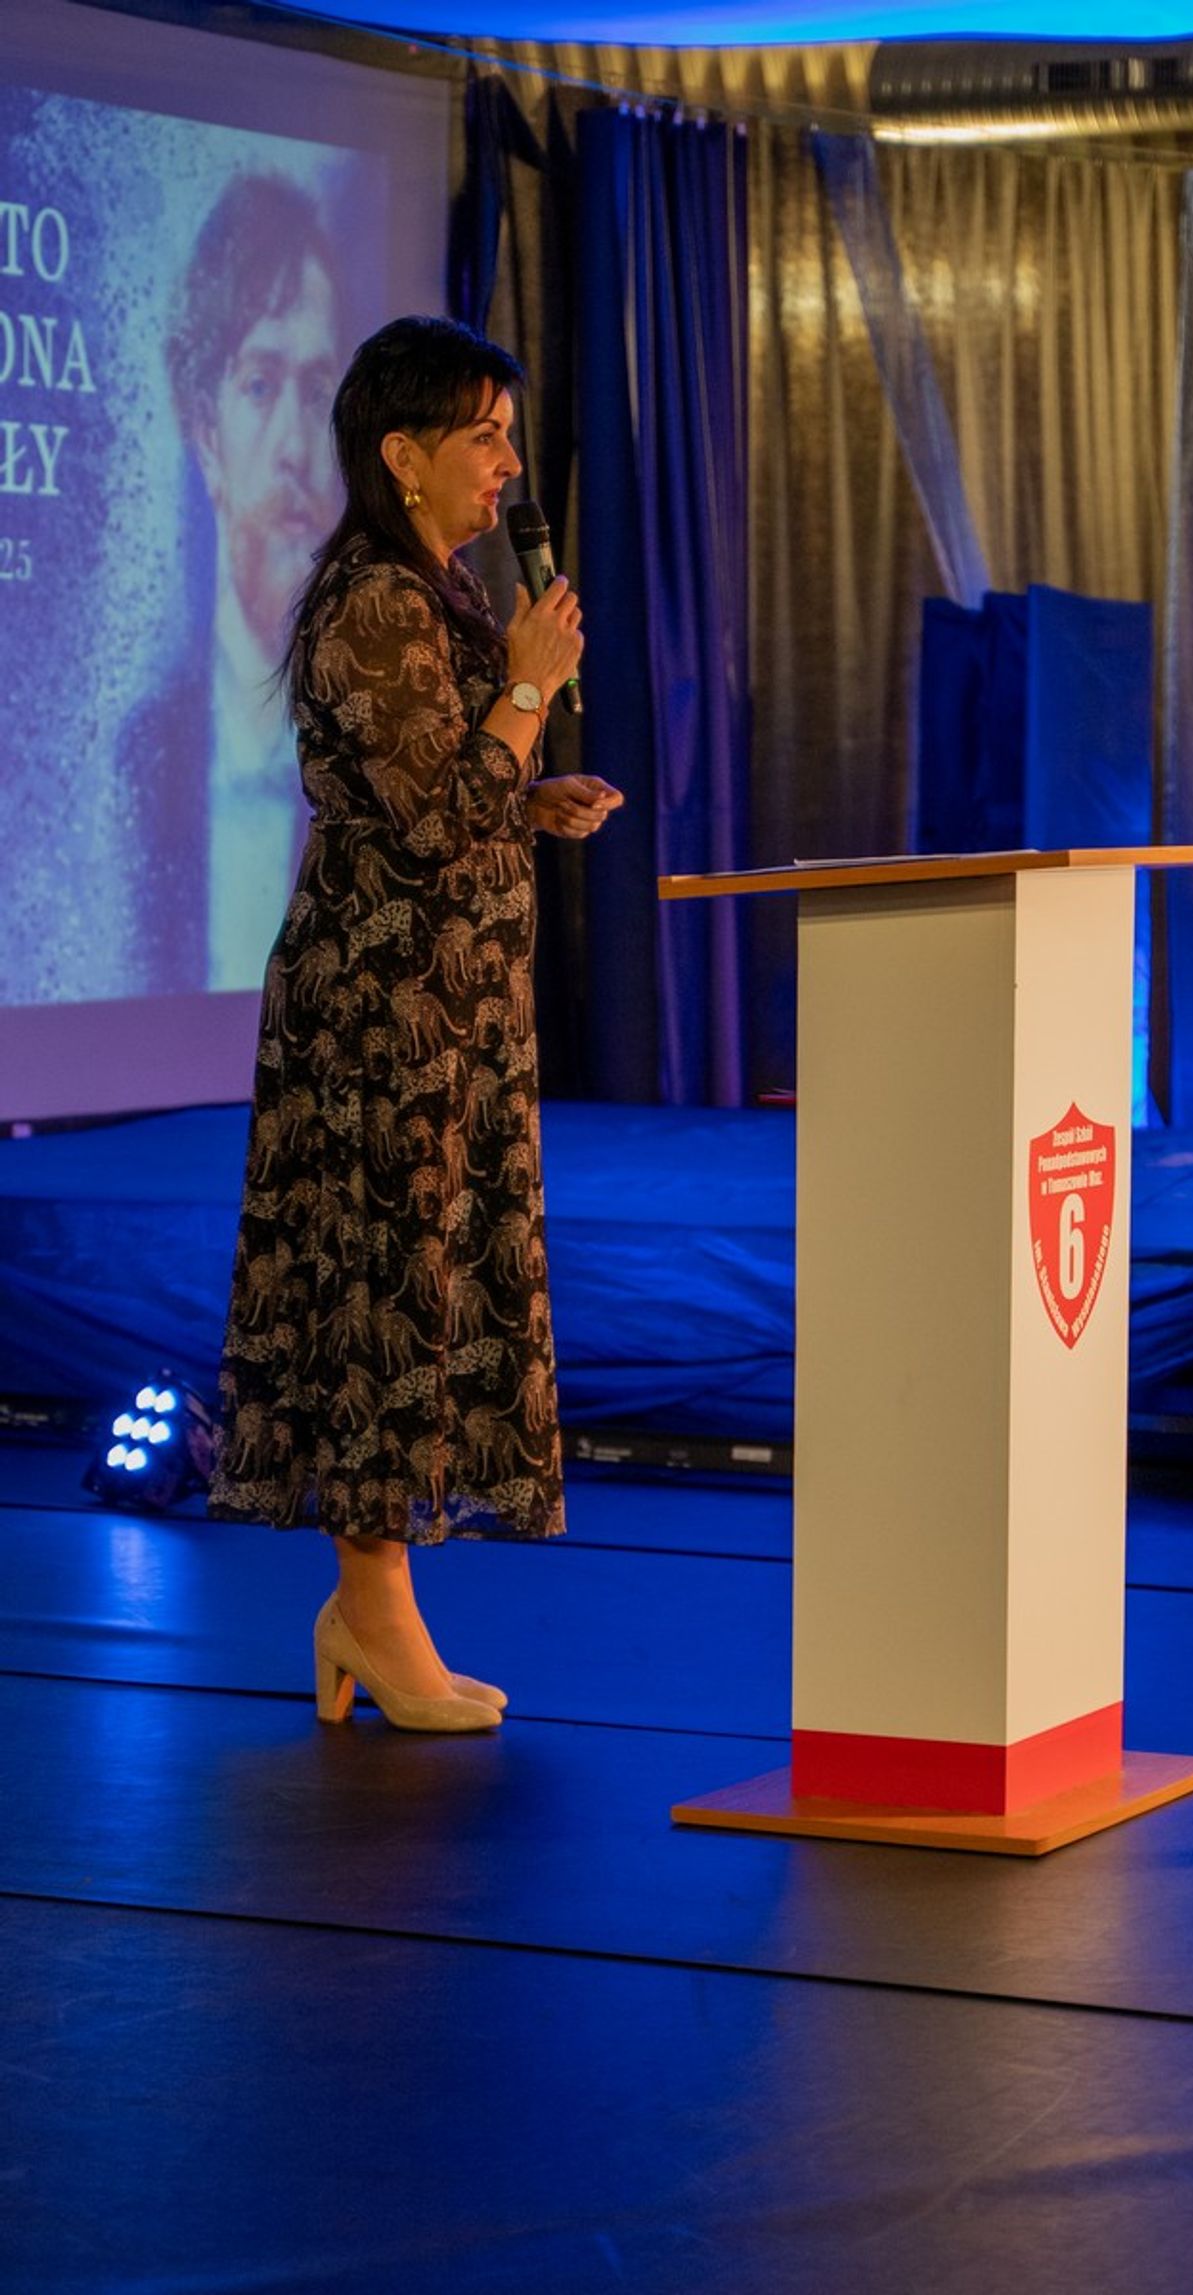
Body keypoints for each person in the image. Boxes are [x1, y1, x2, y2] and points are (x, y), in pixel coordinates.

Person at [207, 314, 622, 1732]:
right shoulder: (374, 602)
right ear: (402, 454)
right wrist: (526, 689)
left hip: (451, 1012)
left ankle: (370, 1615)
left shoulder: (436, 591)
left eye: (508, 435)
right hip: (380, 1022)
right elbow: (434, 819)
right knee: (380, 1292)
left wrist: (528, 793)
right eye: (482, 437)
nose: (507, 464)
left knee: (431, 1286)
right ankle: (370, 1610)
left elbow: (441, 794)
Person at [124, 174, 345, 991]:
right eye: (259, 384)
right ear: (204, 430)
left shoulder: (367, 729)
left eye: (317, 393)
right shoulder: (138, 763)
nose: (296, 446)